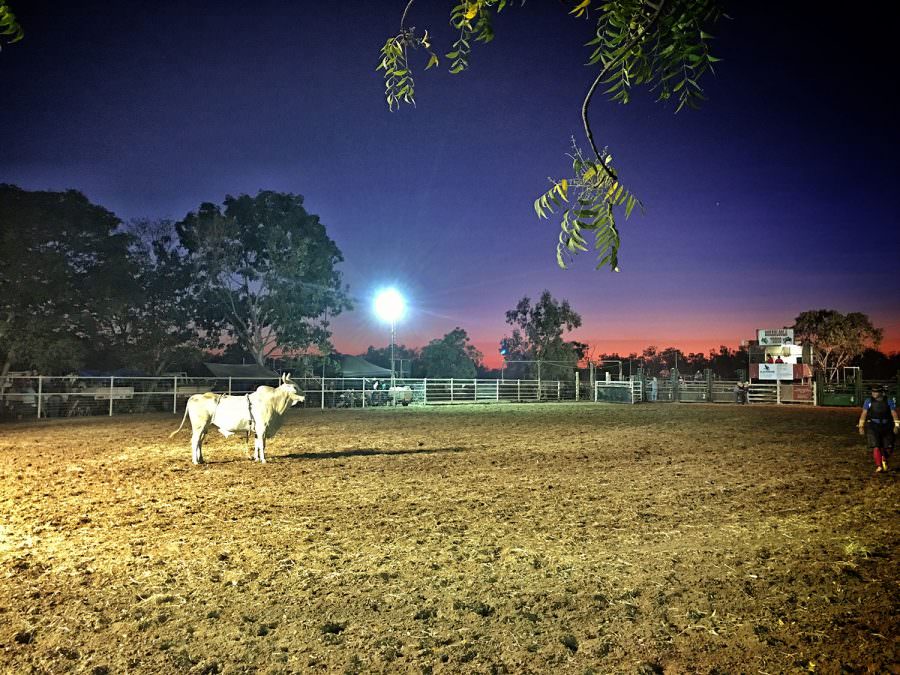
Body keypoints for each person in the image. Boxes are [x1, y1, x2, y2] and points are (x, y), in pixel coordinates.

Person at [857, 385, 899, 473]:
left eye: (876, 392)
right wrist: (861, 426)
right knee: (876, 446)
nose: (874, 393)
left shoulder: (888, 401)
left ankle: (884, 458)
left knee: (889, 447)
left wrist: (896, 425)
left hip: (887, 425)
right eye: (873, 392)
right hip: (873, 425)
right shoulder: (868, 401)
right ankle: (879, 465)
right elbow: (864, 413)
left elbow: (893, 413)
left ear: (881, 393)